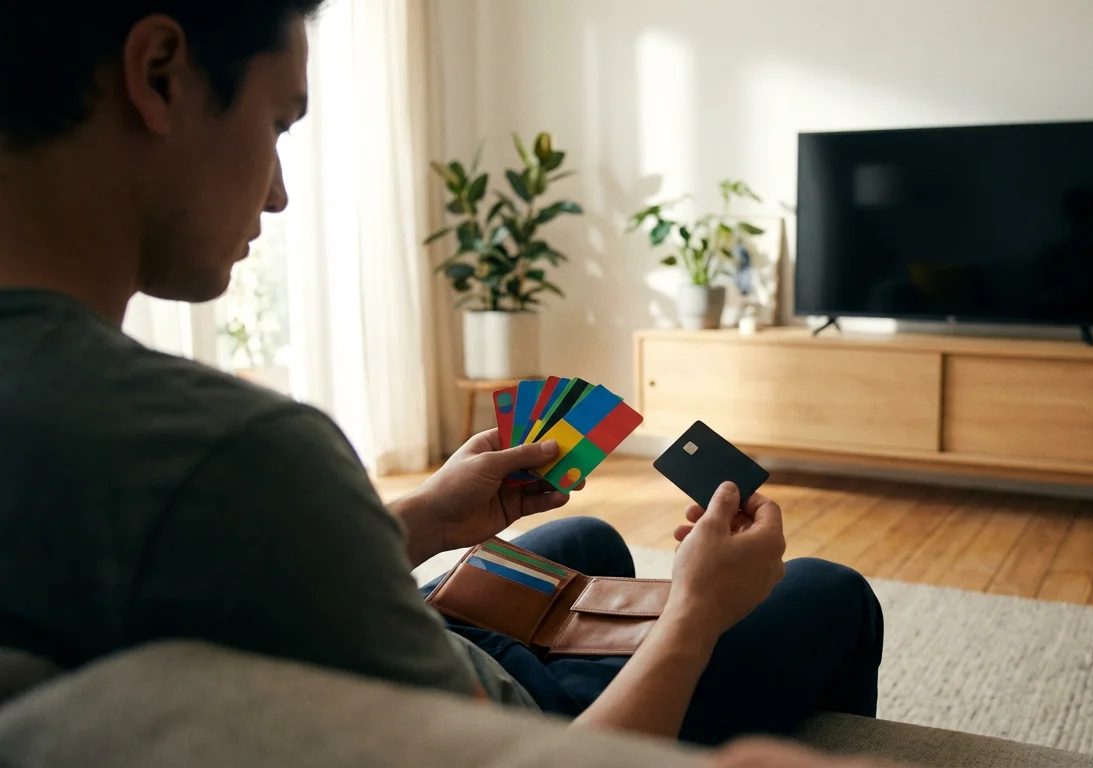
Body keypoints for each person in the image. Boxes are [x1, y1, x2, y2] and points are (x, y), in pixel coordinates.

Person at [0, 0, 884, 753]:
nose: (277, 194)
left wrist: (423, 517)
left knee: (589, 546)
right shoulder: (233, 455)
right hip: (514, 731)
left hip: (394, 655)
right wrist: (698, 611)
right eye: (277, 123)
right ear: (159, 74)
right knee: (829, 593)